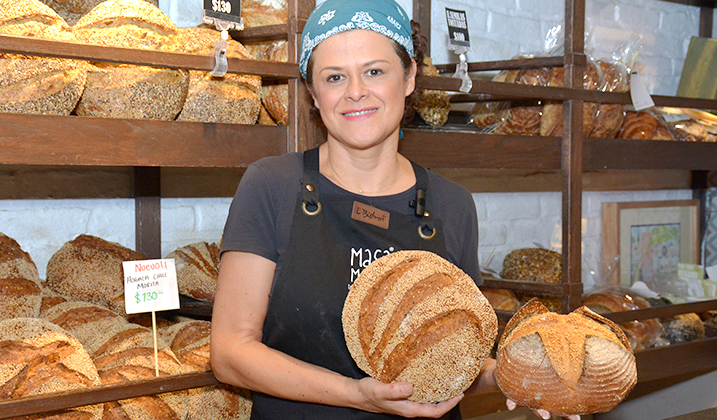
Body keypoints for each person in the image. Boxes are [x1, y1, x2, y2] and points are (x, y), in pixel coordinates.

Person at [210, 1, 578, 419]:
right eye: (334, 77)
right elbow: (230, 351)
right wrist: (355, 394)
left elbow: (455, 356)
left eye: (374, 71)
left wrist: (510, 376)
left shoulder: (451, 204)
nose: (355, 91)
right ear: (313, 94)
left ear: (409, 77)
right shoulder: (273, 186)